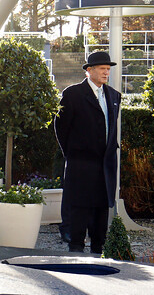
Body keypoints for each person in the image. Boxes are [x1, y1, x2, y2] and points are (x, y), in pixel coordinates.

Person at [54, 51, 121, 254]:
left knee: (102, 208)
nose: (106, 73)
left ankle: (98, 249)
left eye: (108, 70)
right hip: (81, 162)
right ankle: (76, 248)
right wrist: (73, 154)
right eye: (102, 69)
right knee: (79, 208)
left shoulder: (114, 96)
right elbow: (61, 127)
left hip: (106, 164)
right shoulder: (72, 94)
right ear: (89, 71)